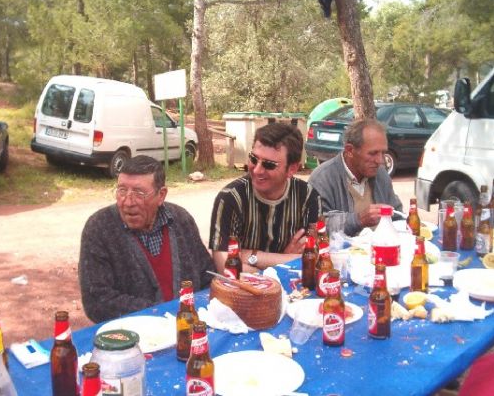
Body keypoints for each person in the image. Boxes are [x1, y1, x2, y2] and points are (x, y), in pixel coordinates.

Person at [79, 155, 215, 323]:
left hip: (189, 326)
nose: (128, 202)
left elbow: (208, 274)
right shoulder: (99, 227)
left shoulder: (180, 219)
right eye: (122, 190)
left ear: (161, 195)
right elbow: (97, 301)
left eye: (139, 192)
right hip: (132, 335)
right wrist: (161, 313)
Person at [209, 122, 317, 272]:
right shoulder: (231, 198)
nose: (257, 170)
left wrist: (250, 256)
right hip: (243, 292)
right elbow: (226, 268)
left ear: (292, 169)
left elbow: (315, 258)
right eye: (253, 159)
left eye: (269, 164)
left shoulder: (307, 197)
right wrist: (283, 261)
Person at [308, 120, 403, 236]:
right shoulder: (323, 178)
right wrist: (359, 220)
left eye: (383, 153)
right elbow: (316, 226)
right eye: (373, 153)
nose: (380, 160)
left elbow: (398, 214)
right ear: (350, 151)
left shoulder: (380, 174)